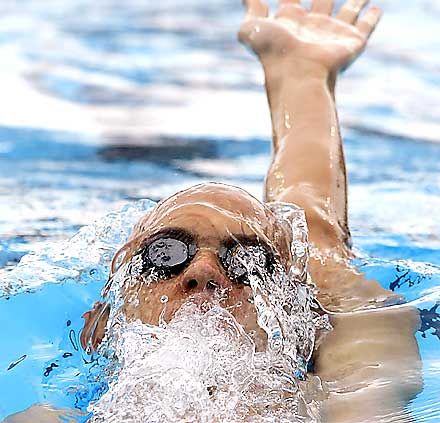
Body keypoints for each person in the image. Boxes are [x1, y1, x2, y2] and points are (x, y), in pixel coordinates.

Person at [4, 1, 422, 422]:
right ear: (99, 326)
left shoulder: (350, 396)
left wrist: (300, 75)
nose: (203, 273)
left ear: (304, 330)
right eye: (165, 254)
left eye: (247, 262)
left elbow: (314, 231)